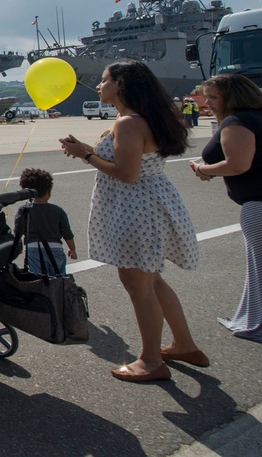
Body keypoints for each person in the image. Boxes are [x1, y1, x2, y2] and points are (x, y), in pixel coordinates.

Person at [60, 59, 205, 382]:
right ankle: (184, 344)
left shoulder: (128, 124)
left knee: (137, 284)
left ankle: (151, 361)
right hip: (153, 203)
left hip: (134, 209)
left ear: (121, 84)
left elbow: (127, 174)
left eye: (104, 80)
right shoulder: (145, 118)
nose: (99, 85)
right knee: (152, 280)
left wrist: (85, 153)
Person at [192, 74, 262, 343]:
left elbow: (237, 164)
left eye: (213, 97)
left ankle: (255, 323)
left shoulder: (238, 121)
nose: (206, 102)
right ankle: (250, 317)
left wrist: (202, 168)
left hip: (257, 204)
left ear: (232, 98)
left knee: (258, 268)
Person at [14, 168, 77, 275]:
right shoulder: (58, 211)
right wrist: (72, 249)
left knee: (37, 279)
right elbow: (67, 232)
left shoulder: (24, 210)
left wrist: (17, 248)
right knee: (59, 278)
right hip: (55, 248)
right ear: (48, 192)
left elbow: (18, 232)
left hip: (33, 248)